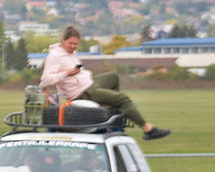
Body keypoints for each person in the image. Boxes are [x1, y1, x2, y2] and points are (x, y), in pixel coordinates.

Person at [41, 25, 169, 139]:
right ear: (63, 40)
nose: (73, 47)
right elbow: (45, 80)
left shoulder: (70, 53)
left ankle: (110, 110)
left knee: (112, 77)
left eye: (76, 44)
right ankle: (148, 129)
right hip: (81, 92)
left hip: (89, 83)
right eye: (71, 44)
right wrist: (66, 73)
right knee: (122, 99)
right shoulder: (54, 57)